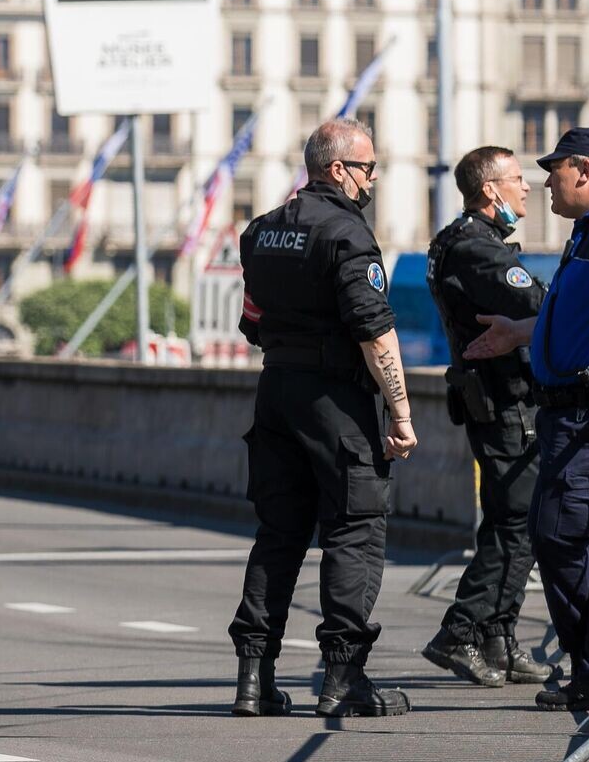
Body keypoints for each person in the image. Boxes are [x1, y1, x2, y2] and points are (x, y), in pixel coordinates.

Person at [465, 127, 589, 711]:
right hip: (569, 417)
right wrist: (517, 333)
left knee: (568, 537)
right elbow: (576, 316)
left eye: (554, 171)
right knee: (562, 538)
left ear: (584, 169)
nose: (545, 182)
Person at [229, 117, 417, 718]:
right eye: (368, 167)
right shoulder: (348, 235)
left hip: (276, 392)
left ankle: (254, 682)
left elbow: (252, 320)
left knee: (279, 534)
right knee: (354, 531)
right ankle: (343, 681)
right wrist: (401, 411)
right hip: (336, 401)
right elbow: (375, 331)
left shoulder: (261, 232)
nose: (373, 177)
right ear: (338, 169)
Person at [422, 147, 555, 687]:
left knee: (515, 522)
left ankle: (500, 637)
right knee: (512, 524)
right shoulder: (477, 250)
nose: (527, 188)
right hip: (505, 400)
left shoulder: (462, 242)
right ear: (490, 189)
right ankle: (459, 631)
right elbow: (537, 306)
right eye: (518, 179)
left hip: (501, 398)